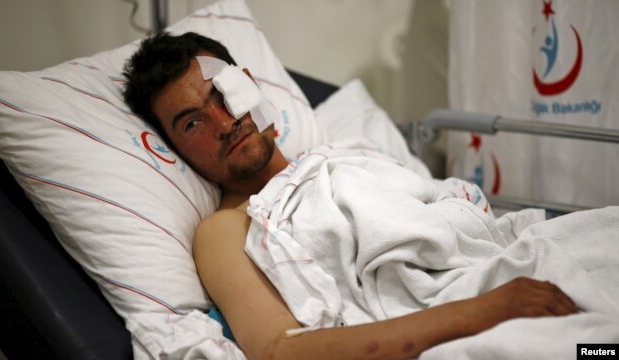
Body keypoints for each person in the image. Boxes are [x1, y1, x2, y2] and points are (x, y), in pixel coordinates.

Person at [123, 32, 578, 359]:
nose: (224, 124)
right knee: (591, 350)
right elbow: (280, 350)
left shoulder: (349, 156)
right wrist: (482, 311)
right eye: (192, 123)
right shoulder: (225, 229)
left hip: (529, 264)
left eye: (223, 94)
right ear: (175, 148)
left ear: (249, 85)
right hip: (481, 319)